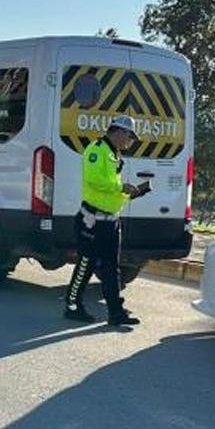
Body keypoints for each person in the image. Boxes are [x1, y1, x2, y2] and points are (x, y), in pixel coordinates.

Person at [63, 116, 145, 327]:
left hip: (110, 222)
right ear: (118, 131)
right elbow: (94, 180)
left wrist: (131, 194)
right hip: (92, 220)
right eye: (129, 136)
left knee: (111, 268)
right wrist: (121, 188)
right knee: (85, 264)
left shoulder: (114, 155)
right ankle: (72, 307)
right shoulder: (96, 150)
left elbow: (110, 191)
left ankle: (116, 313)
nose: (130, 141)